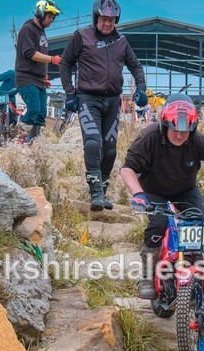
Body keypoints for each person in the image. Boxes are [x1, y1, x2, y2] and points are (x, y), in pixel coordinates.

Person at [120, 94, 204, 299]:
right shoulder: (149, 137)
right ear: (164, 124)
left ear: (192, 127)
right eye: (174, 129)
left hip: (185, 190)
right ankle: (147, 275)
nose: (179, 135)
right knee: (159, 223)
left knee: (203, 220)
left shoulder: (197, 140)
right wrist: (138, 195)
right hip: (153, 191)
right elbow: (128, 169)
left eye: (185, 130)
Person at [60, 0, 147, 212]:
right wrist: (70, 93)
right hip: (88, 99)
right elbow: (65, 63)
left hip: (112, 101)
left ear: (115, 20)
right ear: (96, 18)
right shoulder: (82, 36)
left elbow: (135, 65)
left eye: (111, 20)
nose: (107, 23)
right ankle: (95, 193)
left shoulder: (121, 41)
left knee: (109, 150)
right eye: (104, 19)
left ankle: (104, 192)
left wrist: (141, 88)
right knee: (92, 143)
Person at [16, 0, 62, 140]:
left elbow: (40, 54)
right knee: (34, 109)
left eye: (53, 18)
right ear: (40, 13)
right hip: (26, 77)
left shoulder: (41, 32)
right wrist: (52, 59)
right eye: (49, 17)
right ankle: (19, 141)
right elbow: (30, 53)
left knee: (42, 113)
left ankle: (35, 144)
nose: (51, 21)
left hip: (39, 79)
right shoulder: (27, 29)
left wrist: (45, 76)